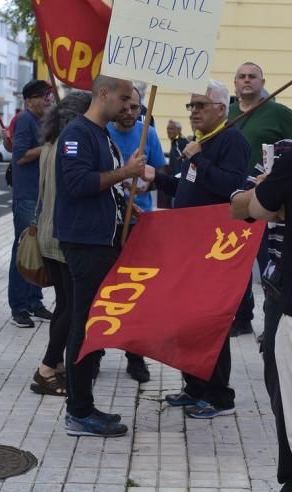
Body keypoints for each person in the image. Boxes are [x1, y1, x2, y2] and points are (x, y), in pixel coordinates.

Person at [54, 74, 147, 437]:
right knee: (84, 326)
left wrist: (124, 205)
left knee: (92, 325)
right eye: (124, 98)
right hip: (85, 244)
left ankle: (84, 405)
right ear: (103, 93)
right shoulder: (77, 134)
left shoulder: (101, 133)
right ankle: (78, 412)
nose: (128, 106)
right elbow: (77, 184)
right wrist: (124, 172)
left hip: (101, 240)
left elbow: (101, 185)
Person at [155, 80, 250, 419]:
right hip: (188, 247)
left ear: (221, 109)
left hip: (214, 249)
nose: (193, 112)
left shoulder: (230, 141)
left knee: (210, 324)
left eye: (200, 106)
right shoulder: (200, 142)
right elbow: (187, 187)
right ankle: (194, 387)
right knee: (187, 321)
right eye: (191, 106)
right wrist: (157, 178)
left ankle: (219, 396)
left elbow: (232, 188)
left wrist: (200, 160)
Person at [231, 138, 292, 492]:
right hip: (284, 291)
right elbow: (239, 204)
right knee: (284, 394)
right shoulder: (285, 151)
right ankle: (291, 478)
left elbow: (255, 206)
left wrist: (278, 201)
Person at [229, 62, 292, 336]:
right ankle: (240, 317)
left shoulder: (279, 116)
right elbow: (239, 207)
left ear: (263, 82)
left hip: (285, 244)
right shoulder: (226, 113)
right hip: (247, 199)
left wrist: (284, 193)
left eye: (253, 76)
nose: (247, 81)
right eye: (242, 76)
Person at [31, 91, 92, 397]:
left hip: (47, 232)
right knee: (71, 307)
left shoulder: (51, 144)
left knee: (64, 304)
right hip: (63, 235)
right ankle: (46, 367)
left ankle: (53, 365)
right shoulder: (70, 146)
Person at [107, 85, 165, 383]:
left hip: (141, 221)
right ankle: (94, 354)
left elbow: (160, 173)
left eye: (136, 109)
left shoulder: (148, 134)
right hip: (108, 222)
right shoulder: (101, 132)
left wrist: (147, 182)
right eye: (126, 107)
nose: (131, 113)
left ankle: (135, 355)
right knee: (102, 289)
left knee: (136, 290)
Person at [9, 79, 54, 328]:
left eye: (48, 95)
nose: (48, 99)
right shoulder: (26, 120)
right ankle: (19, 307)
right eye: (43, 96)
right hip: (26, 196)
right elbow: (21, 156)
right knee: (23, 251)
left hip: (39, 196)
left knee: (38, 252)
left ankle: (35, 302)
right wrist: (48, 146)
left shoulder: (41, 121)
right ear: (29, 101)